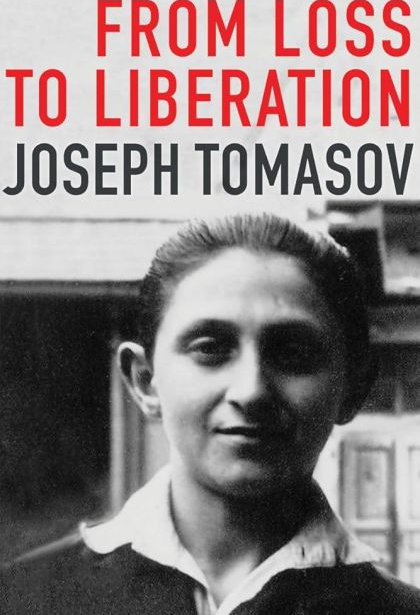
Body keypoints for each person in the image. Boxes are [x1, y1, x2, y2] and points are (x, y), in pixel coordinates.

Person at [2, 213, 420, 614]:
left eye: (293, 351)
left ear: (352, 389)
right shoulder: (21, 599)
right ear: (145, 380)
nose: (251, 390)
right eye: (210, 348)